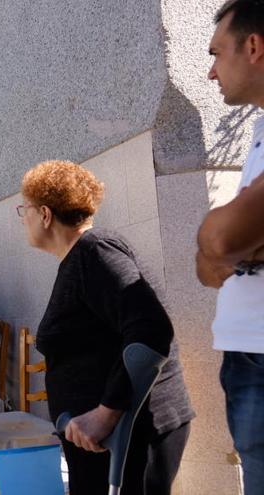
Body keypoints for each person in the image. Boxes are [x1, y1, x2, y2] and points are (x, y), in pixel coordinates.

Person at [20, 160, 194, 494]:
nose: (22, 219)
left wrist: (105, 414)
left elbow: (152, 329)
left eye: (23, 209)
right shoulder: (80, 258)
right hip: (100, 442)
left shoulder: (94, 251)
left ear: (44, 214)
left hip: (125, 436)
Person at [198, 1, 264, 488]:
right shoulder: (260, 130)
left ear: (254, 46)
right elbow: (207, 264)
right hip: (247, 350)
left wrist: (229, 239)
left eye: (217, 53)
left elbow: (218, 238)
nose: (210, 71)